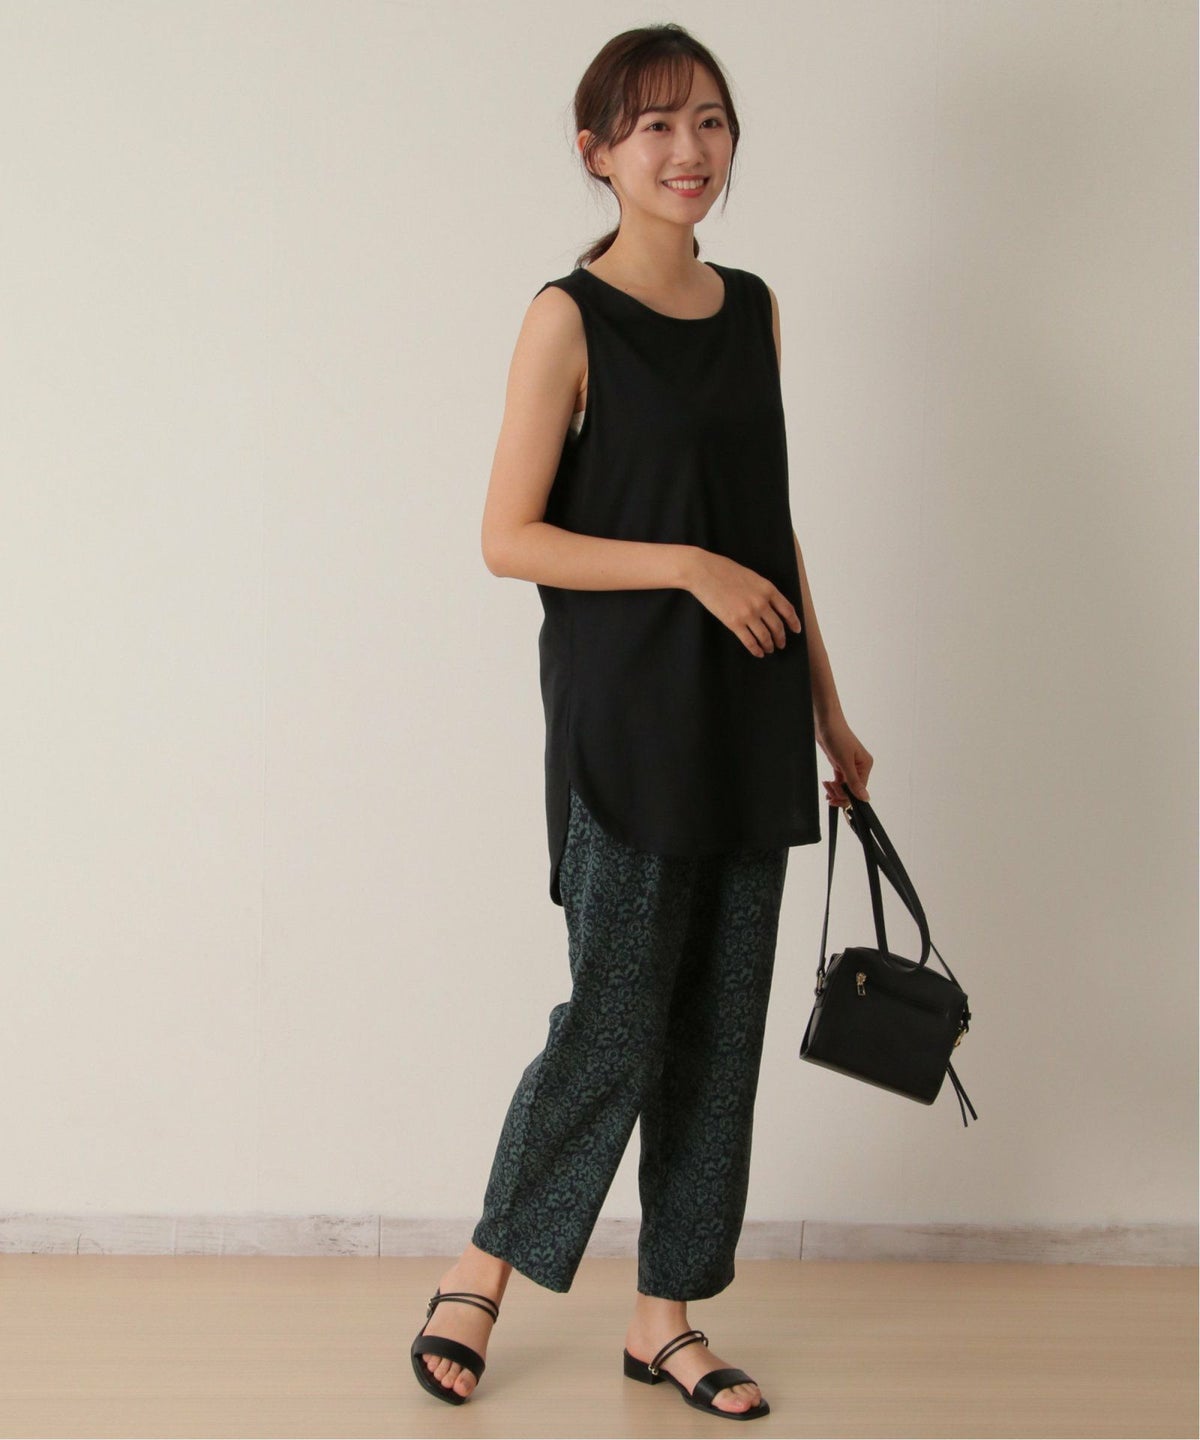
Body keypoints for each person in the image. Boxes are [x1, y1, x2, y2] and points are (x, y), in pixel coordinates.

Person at [411, 22, 873, 1420]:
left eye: (711, 122)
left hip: (750, 715)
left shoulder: (755, 311)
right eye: (656, 126)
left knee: (719, 1036)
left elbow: (768, 531)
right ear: (596, 152)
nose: (689, 151)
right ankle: (482, 1270)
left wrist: (829, 711)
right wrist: (683, 566)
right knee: (612, 1019)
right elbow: (507, 536)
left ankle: (665, 1317)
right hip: (628, 720)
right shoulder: (569, 317)